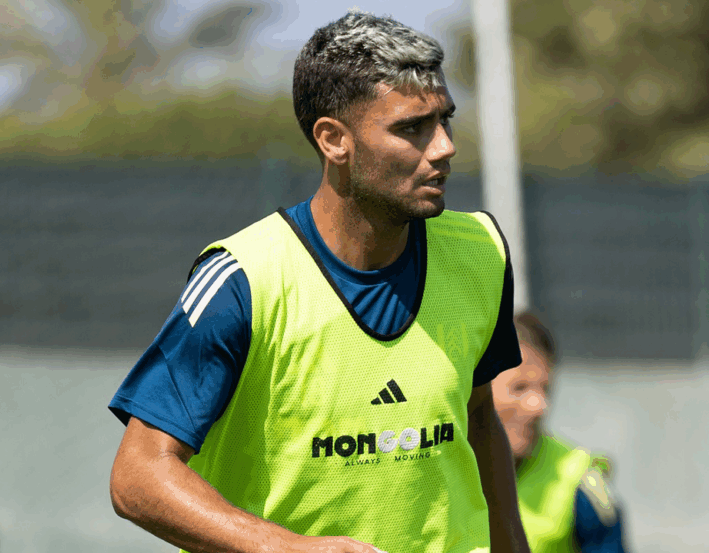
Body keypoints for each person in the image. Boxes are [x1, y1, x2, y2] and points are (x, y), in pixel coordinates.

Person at [107, 11, 530, 553]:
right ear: (334, 140)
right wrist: (288, 547)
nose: (444, 147)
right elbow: (138, 476)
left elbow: (476, 417)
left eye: (444, 120)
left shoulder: (481, 252)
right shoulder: (244, 279)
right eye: (411, 128)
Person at [492, 312, 628, 553]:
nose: (539, 406)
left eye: (545, 388)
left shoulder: (577, 478)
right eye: (519, 387)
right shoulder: (436, 467)